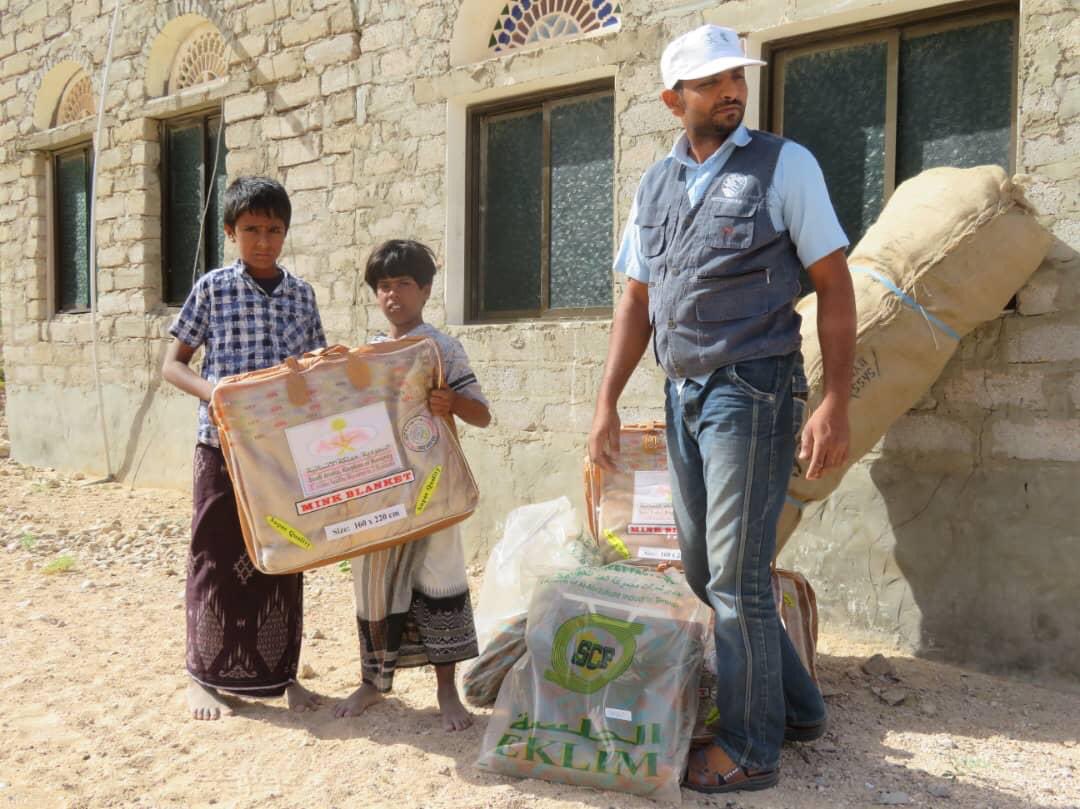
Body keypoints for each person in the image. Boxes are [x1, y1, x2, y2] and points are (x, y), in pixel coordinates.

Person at [587, 25, 856, 793]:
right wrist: (605, 400)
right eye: (711, 83)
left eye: (736, 76)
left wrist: (835, 398)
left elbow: (834, 284)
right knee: (709, 571)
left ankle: (749, 749)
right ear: (674, 99)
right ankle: (797, 710)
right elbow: (636, 299)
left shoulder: (784, 165)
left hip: (755, 388)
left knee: (736, 577)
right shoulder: (654, 185)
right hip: (684, 392)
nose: (731, 90)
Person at [162, 176, 326, 720]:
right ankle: (201, 678)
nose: (263, 241)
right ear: (230, 231)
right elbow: (173, 365)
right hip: (221, 444)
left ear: (285, 233)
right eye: (251, 229)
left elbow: (314, 371)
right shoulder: (212, 288)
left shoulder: (301, 295)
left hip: (281, 449)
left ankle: (283, 676)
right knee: (213, 553)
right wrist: (217, 394)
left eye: (274, 230)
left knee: (284, 552)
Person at [333, 239, 491, 731]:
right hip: (378, 491)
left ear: (424, 290)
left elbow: (482, 414)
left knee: (440, 580)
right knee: (373, 586)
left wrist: (449, 402)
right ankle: (372, 684)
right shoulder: (366, 355)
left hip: (434, 488)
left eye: (403, 284)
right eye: (383, 286)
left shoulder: (442, 348)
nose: (393, 295)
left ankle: (447, 693)